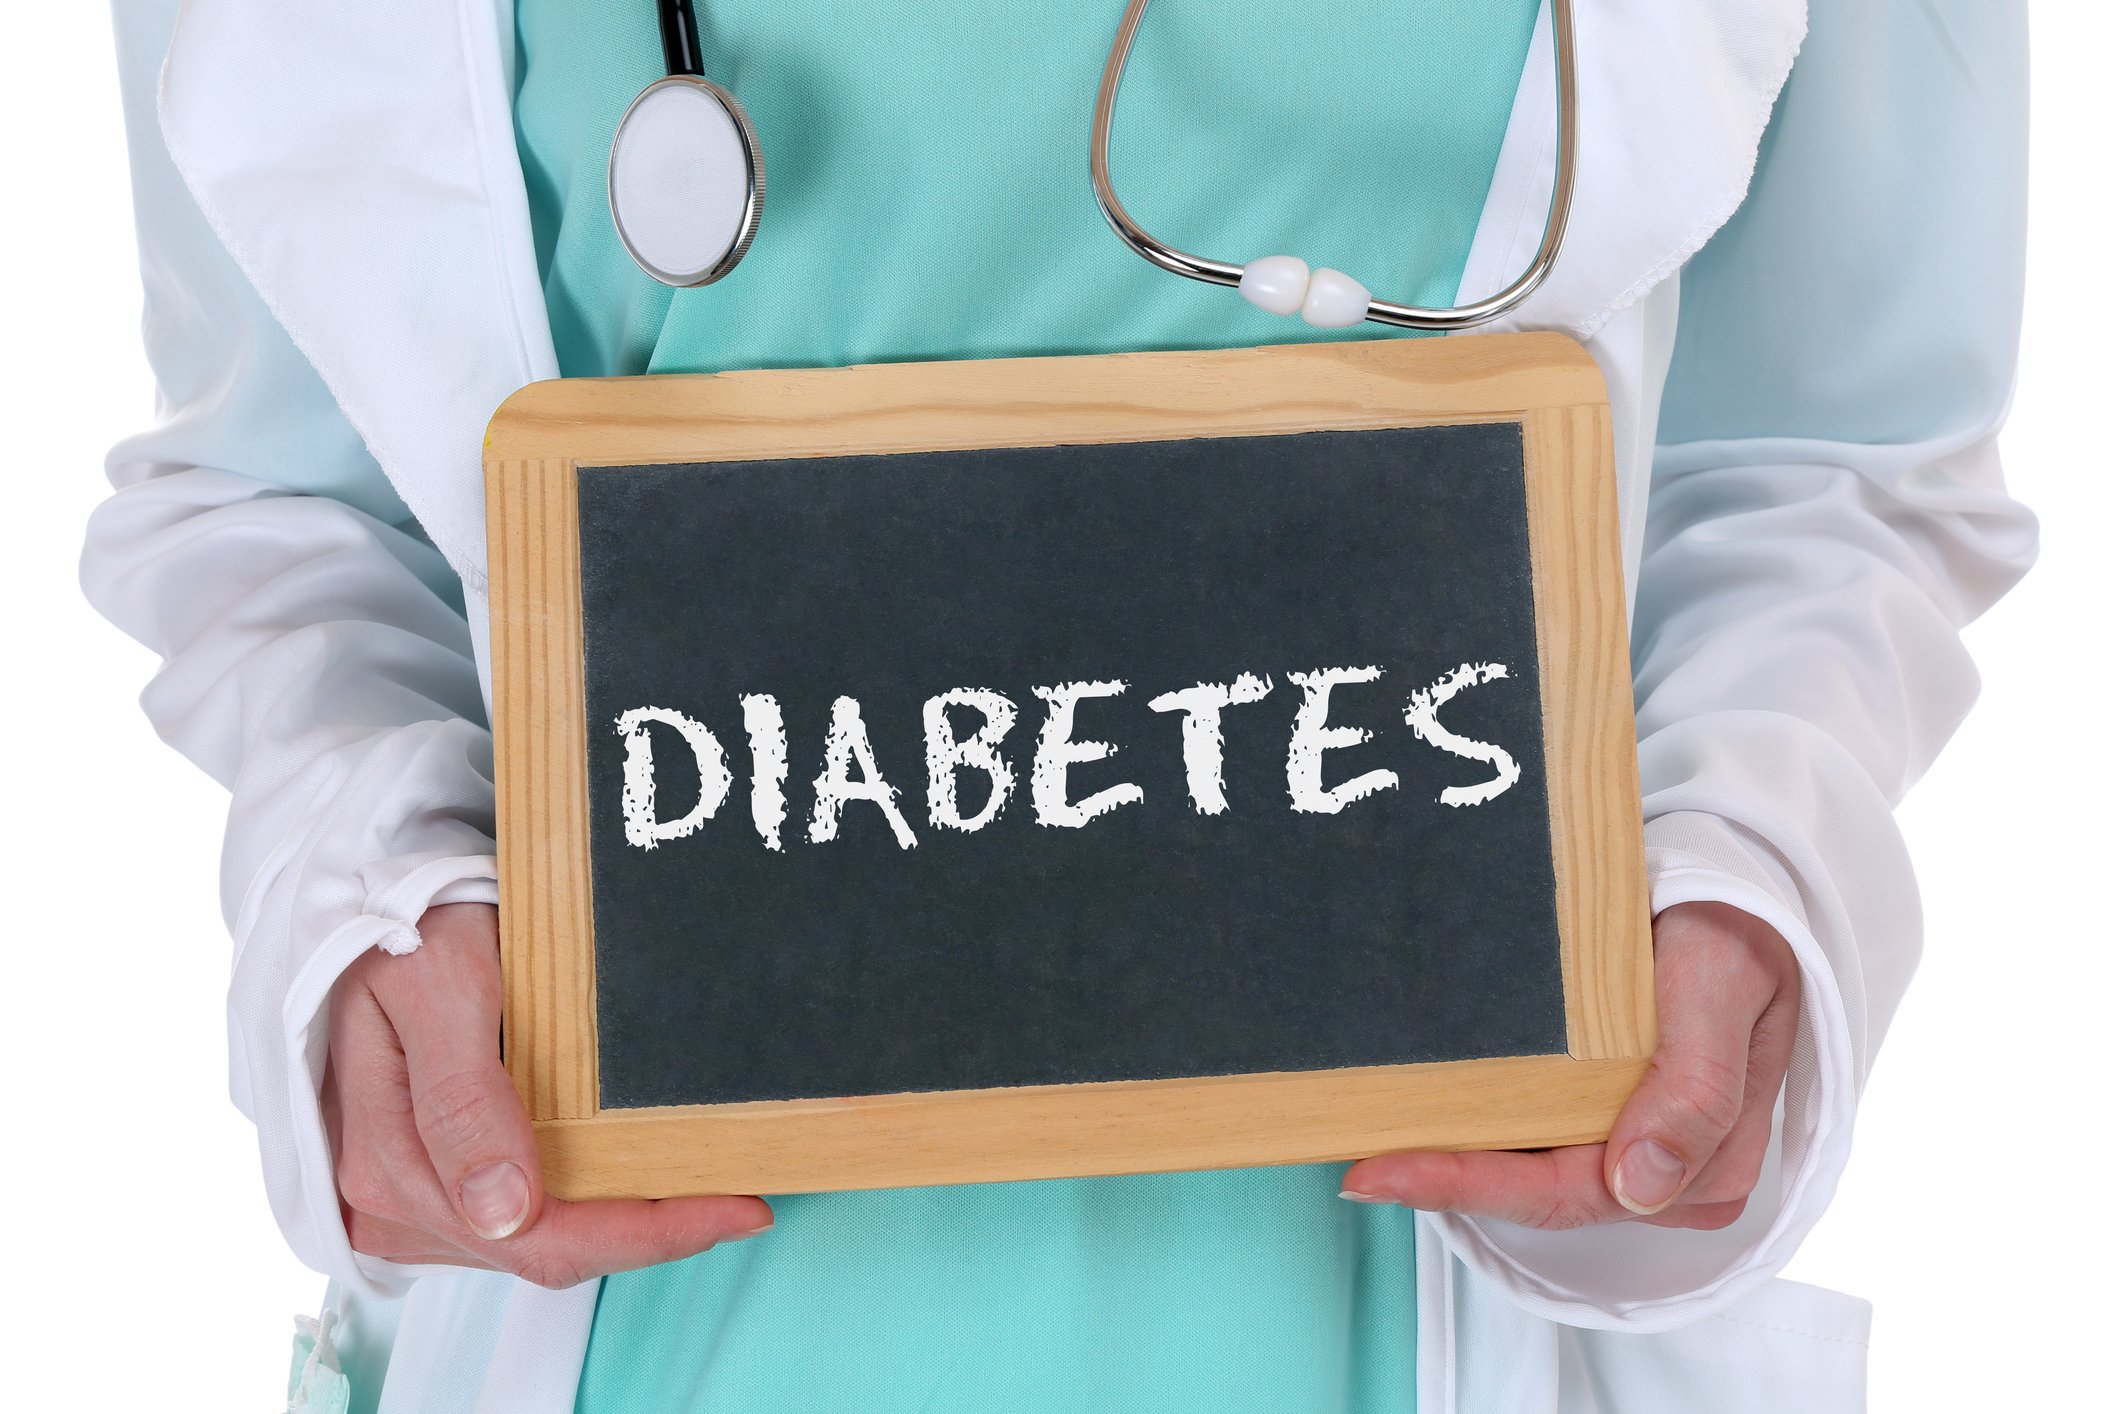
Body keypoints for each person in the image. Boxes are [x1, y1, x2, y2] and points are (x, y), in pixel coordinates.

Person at [82, 2, 2036, 1410]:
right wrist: (365, 917)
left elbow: (1829, 448)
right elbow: (287, 489)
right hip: (660, 1308)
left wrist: (1736, 885)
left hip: (1398, 1270)